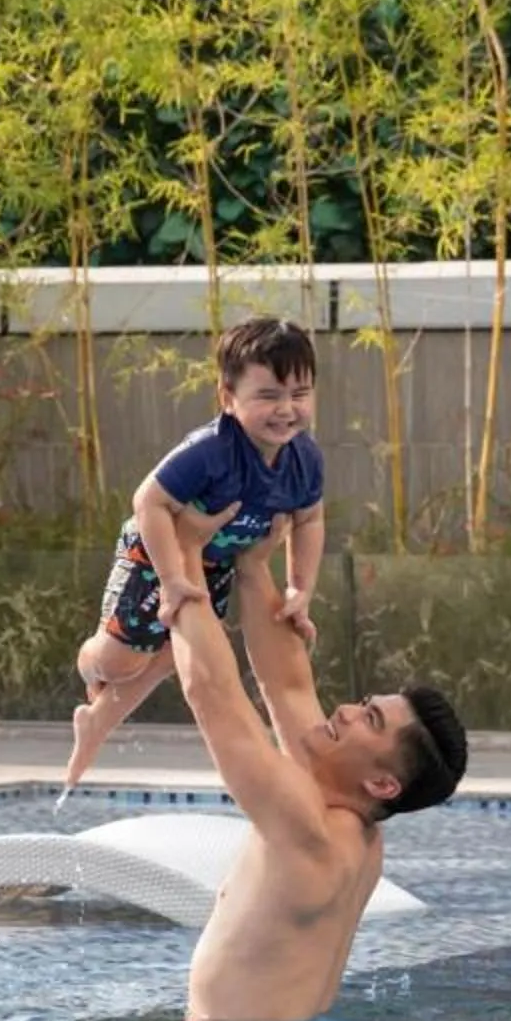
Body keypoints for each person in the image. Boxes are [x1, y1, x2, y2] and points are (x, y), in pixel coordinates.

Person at [170, 557, 466, 1021]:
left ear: (382, 784)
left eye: (370, 720)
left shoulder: (308, 831)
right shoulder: (357, 834)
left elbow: (209, 691)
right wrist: (251, 563)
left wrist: (177, 563)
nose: (346, 710)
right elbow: (286, 684)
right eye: (366, 704)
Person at [65, 314, 328, 791]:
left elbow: (309, 520)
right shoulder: (211, 450)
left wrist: (299, 589)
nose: (286, 409)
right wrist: (170, 580)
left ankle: (98, 721)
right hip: (155, 557)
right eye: (268, 395)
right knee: (123, 662)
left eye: (300, 393)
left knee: (173, 653)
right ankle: (91, 659)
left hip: (215, 563)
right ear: (228, 397)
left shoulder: (304, 459)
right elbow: (148, 502)